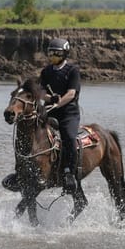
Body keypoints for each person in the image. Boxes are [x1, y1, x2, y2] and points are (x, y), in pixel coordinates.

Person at [40, 37, 81, 192]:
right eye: (50, 54)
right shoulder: (46, 71)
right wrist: (50, 99)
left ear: (64, 54)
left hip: (68, 113)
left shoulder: (72, 71)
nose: (52, 57)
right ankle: (20, 170)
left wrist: (59, 102)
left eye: (56, 54)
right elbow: (41, 92)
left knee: (69, 138)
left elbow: (71, 94)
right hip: (49, 111)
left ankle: (69, 172)